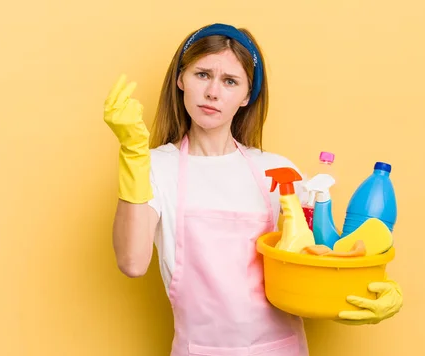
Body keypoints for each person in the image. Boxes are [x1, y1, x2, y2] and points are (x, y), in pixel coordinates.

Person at [103, 23, 403, 355]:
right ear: (180, 79)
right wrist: (132, 154)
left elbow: (325, 257)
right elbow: (133, 262)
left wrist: (376, 291)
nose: (213, 92)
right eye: (202, 74)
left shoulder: (275, 171)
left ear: (247, 95)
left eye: (230, 81)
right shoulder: (156, 166)